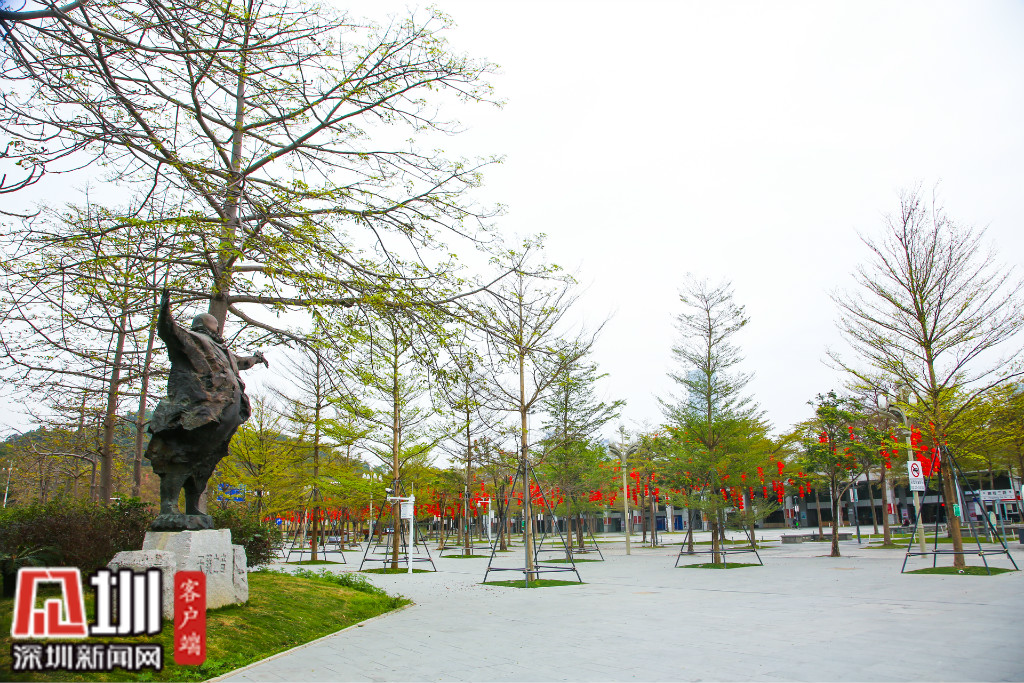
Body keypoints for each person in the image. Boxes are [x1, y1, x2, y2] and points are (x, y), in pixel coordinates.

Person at [145, 290, 268, 529]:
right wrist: (164, 312)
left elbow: (243, 362)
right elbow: (170, 332)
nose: (216, 330)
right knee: (181, 454)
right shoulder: (194, 339)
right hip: (199, 414)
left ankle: (193, 505)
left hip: (222, 419)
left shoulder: (224, 351)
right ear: (208, 328)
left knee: (204, 461)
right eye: (214, 327)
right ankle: (169, 507)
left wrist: (256, 358)